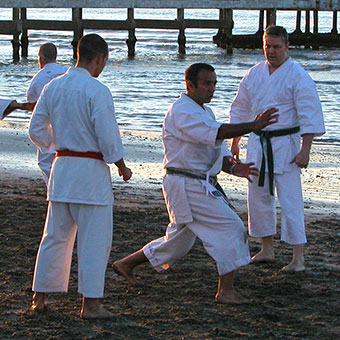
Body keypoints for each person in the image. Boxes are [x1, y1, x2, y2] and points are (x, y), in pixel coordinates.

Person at [113, 63, 278, 305]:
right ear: (190, 85)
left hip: (192, 182)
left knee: (178, 241)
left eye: (214, 84)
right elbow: (215, 132)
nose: (211, 89)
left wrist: (233, 168)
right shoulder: (182, 111)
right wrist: (253, 126)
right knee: (231, 227)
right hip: (186, 183)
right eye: (206, 84)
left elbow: (216, 147)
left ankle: (126, 263)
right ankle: (226, 291)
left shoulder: (203, 112)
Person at [29, 33, 132, 319]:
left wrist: (59, 142)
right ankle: (91, 304)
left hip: (62, 169)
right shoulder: (97, 90)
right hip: (89, 173)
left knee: (55, 236)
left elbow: (36, 129)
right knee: (95, 239)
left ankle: (40, 296)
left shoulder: (53, 86)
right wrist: (121, 165)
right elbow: (107, 135)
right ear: (99, 59)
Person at [229, 25, 325, 272]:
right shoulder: (254, 73)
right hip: (258, 142)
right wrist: (236, 140)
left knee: (291, 200)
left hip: (286, 145)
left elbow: (309, 113)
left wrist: (306, 150)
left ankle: (298, 257)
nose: (271, 51)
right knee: (258, 198)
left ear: (287, 47)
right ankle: (267, 248)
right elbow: (241, 107)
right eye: (267, 46)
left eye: (276, 47)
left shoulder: (298, 75)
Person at [27, 43, 68, 184]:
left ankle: (53, 190)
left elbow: (33, 104)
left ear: (42, 59)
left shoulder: (38, 79)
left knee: (46, 163)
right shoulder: (67, 72)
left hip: (48, 126)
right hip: (69, 123)